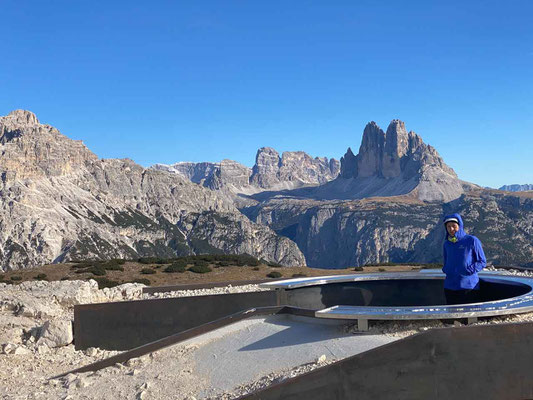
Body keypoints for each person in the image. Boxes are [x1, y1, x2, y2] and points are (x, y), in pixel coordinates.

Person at [442, 213, 486, 305]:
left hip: (468, 286)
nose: (451, 229)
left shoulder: (472, 240)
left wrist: (468, 270)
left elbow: (482, 261)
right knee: (452, 316)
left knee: (468, 316)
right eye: (448, 226)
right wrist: (446, 269)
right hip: (450, 286)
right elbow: (446, 261)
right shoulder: (446, 244)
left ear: (460, 226)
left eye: (454, 226)